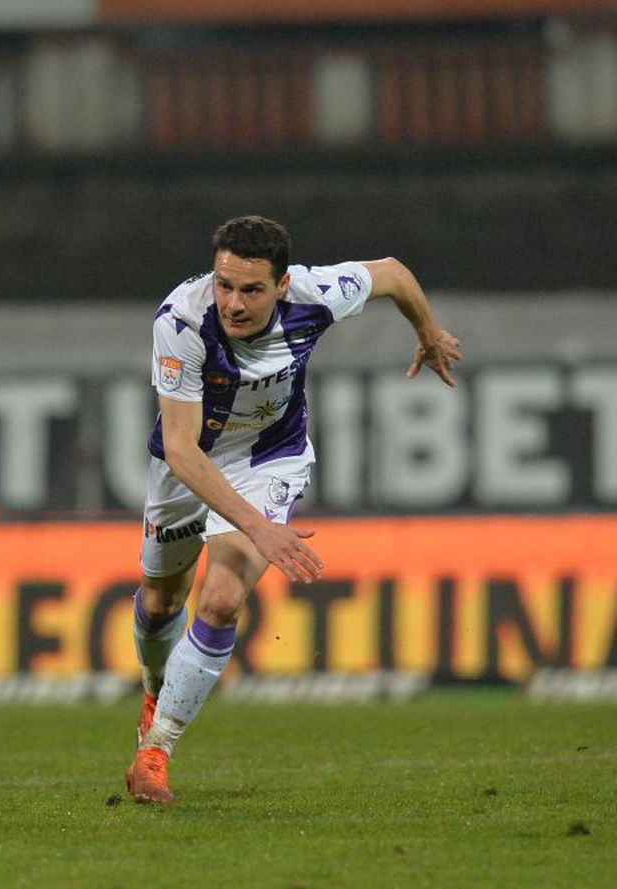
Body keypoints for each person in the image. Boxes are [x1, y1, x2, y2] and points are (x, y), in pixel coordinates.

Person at [125, 215, 461, 805]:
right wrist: (259, 529)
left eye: (252, 289)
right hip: (187, 467)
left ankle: (156, 751)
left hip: (268, 461)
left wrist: (428, 332)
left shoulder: (316, 294)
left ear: (283, 286)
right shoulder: (181, 320)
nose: (233, 302)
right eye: (225, 284)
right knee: (159, 605)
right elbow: (180, 447)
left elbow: (394, 275)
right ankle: (156, 689)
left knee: (224, 598)